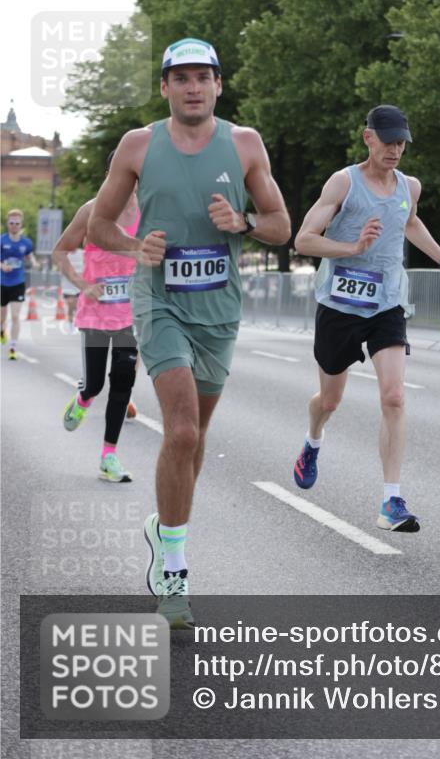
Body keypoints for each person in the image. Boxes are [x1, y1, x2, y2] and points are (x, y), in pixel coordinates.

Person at [87, 37, 290, 628]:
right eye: (181, 78)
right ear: (165, 88)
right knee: (179, 430)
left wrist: (245, 222)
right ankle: (174, 568)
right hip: (160, 303)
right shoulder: (138, 145)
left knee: (195, 439)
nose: (193, 87)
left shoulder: (245, 143)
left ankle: (164, 526)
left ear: (219, 85)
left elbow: (282, 225)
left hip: (219, 311)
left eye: (203, 77)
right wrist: (133, 245)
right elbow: (98, 224)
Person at [293, 105, 440, 531]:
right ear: (367, 138)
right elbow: (303, 239)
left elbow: (409, 222)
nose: (395, 149)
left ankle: (391, 501)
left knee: (394, 396)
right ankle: (312, 440)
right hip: (339, 305)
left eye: (401, 142)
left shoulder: (409, 186)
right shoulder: (344, 182)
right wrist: (352, 249)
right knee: (330, 400)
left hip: (387, 304)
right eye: (387, 140)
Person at [52, 151, 140, 483]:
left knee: (122, 382)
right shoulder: (91, 211)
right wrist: (82, 284)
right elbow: (60, 250)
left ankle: (109, 457)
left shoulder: (147, 212)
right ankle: (82, 398)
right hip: (95, 314)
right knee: (96, 383)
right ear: (109, 175)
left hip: (131, 313)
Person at [1, 209, 40, 360]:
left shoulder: (26, 242)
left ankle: (13, 346)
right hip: (2, 282)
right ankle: (1, 330)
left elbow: (29, 255)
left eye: (17, 223)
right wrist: (2, 266)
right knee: (2, 317)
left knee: (16, 315)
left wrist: (35, 262)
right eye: (11, 223)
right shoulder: (2, 240)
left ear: (21, 224)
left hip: (18, 282)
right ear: (8, 223)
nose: (14, 226)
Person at [60, 245, 84, 332]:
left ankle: (78, 323)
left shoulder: (82, 253)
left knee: (78, 306)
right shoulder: (64, 255)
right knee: (71, 305)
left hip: (80, 286)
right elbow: (61, 268)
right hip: (68, 286)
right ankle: (71, 324)